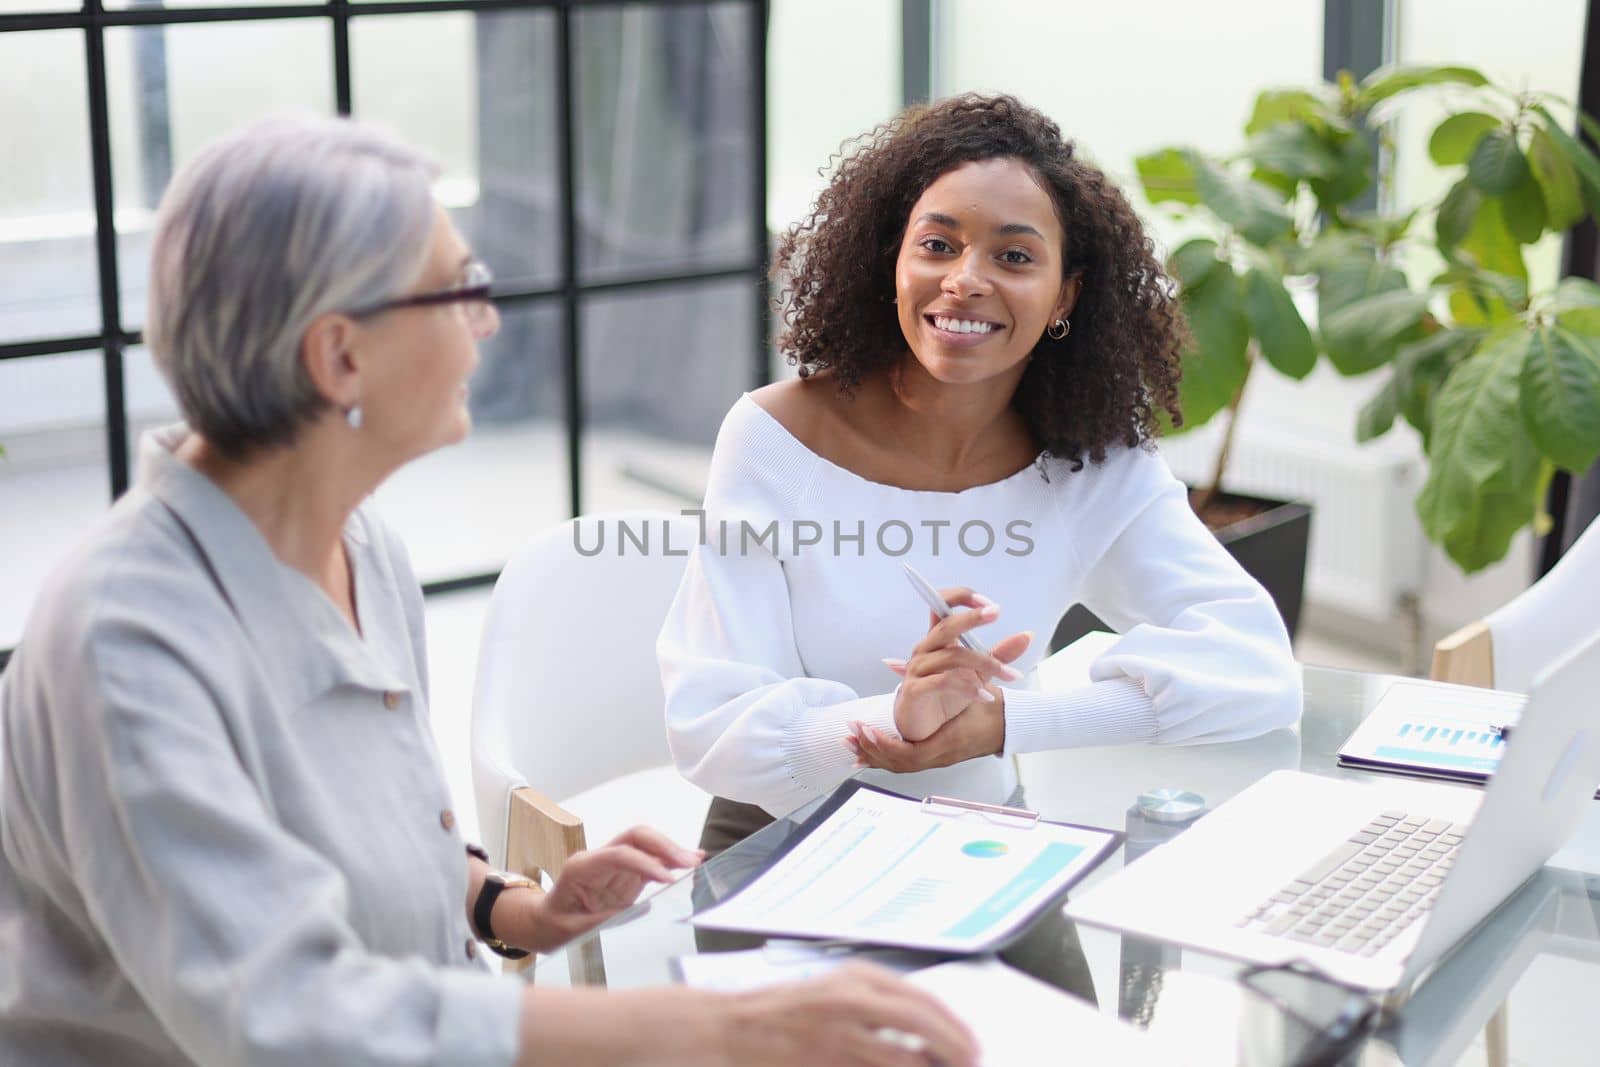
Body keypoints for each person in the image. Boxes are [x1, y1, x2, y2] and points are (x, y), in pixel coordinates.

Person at [0, 116, 977, 1067]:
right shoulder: (123, 640)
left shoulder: (357, 543)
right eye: (457, 290)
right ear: (341, 356)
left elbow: (355, 828)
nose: (489, 319)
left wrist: (512, 905)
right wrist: (720, 1031)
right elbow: (285, 1016)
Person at [658, 92, 1302, 855]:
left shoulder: (1090, 462)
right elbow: (712, 726)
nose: (965, 279)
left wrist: (1005, 722)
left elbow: (1259, 668)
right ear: (890, 261)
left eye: (1015, 255)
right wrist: (896, 718)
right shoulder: (775, 441)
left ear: (1066, 294)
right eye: (937, 244)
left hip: (981, 844)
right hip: (783, 841)